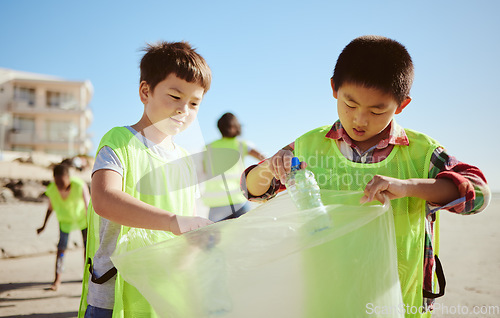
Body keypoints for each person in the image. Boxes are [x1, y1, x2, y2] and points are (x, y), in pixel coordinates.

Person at [242, 35, 490, 317]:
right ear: (334, 88)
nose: (360, 119)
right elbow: (252, 189)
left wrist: (409, 187)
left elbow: (478, 194)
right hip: (325, 296)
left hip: (396, 298)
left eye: (376, 110)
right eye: (350, 104)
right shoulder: (309, 145)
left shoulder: (422, 153)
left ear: (401, 105)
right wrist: (269, 167)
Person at [79, 41, 213, 317]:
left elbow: (188, 228)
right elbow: (104, 199)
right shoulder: (119, 141)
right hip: (113, 295)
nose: (183, 110)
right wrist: (172, 222)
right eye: (175, 97)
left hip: (162, 295)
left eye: (194, 103)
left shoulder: (186, 162)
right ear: (145, 91)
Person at [202, 112, 265, 222]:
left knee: (217, 238)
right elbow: (264, 159)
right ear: (237, 127)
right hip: (238, 199)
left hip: (216, 202)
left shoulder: (208, 147)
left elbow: (202, 170)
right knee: (245, 236)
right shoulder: (242, 145)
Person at [37, 164, 90, 291]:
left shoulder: (79, 185)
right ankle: (57, 280)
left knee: (88, 248)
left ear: (68, 177)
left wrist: (94, 224)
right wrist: (43, 225)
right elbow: (50, 208)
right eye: (56, 181)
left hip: (83, 220)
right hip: (65, 222)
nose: (59, 185)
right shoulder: (52, 189)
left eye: (61, 181)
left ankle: (87, 277)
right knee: (61, 249)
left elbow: (88, 205)